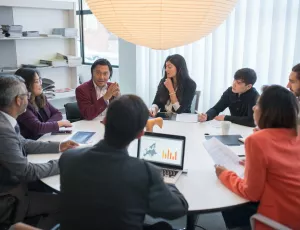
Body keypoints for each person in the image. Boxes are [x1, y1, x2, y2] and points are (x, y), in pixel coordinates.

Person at [59, 95, 188, 230]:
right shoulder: (145, 173)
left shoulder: (68, 158)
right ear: (140, 134)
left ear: (104, 121)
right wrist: (163, 179)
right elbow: (179, 209)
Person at [215, 85, 300, 229]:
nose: (254, 108)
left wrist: (224, 174)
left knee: (228, 200)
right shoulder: (295, 134)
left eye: (258, 104)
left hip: (281, 219)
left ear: (268, 111)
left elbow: (251, 193)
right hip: (294, 212)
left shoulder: (258, 141)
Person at [0, 75, 79, 229]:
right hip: (9, 198)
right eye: (26, 95)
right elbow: (26, 171)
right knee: (70, 203)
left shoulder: (6, 120)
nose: (29, 98)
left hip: (16, 184)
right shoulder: (3, 131)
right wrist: (64, 162)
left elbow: (23, 143)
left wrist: (58, 146)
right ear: (18, 100)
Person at [15, 68, 71, 140]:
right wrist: (59, 123)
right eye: (37, 81)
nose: (41, 84)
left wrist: (45, 126)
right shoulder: (23, 104)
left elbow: (58, 113)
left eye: (40, 80)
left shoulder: (41, 97)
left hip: (47, 137)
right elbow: (38, 128)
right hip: (33, 143)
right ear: (26, 85)